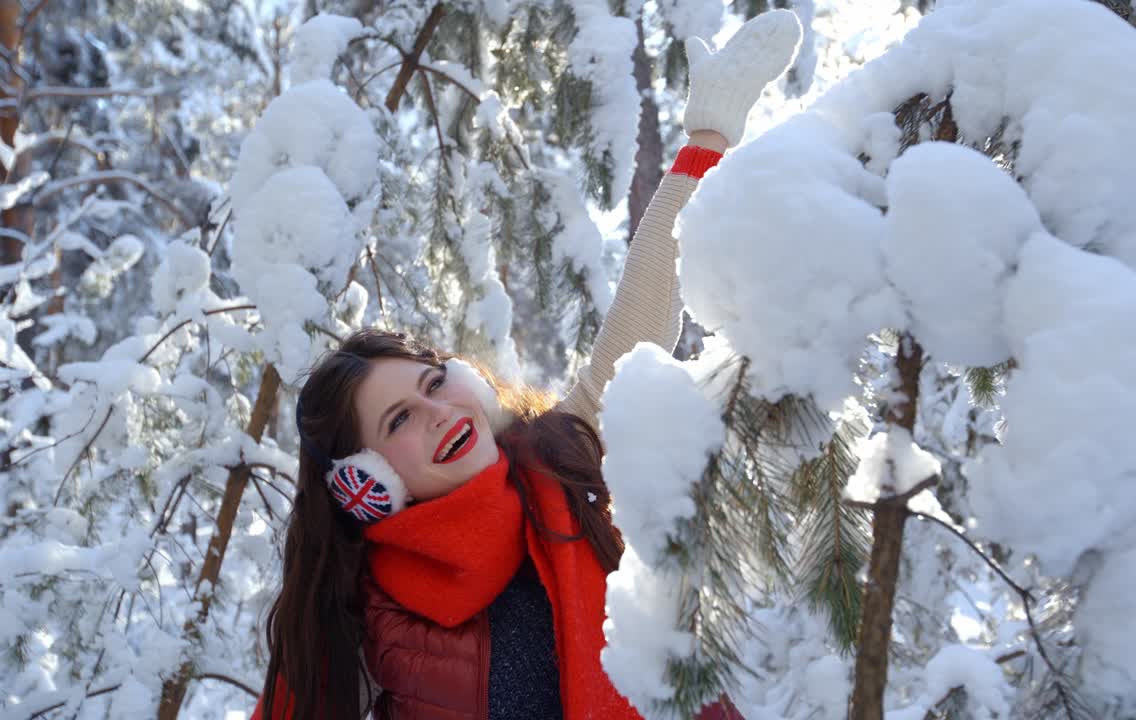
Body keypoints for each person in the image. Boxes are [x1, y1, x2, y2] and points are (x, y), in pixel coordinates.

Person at [252, 10, 802, 719]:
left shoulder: (561, 463)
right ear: (369, 482)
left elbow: (646, 310)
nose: (439, 411)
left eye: (431, 382)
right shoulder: (360, 609)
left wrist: (705, 142)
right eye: (399, 420)